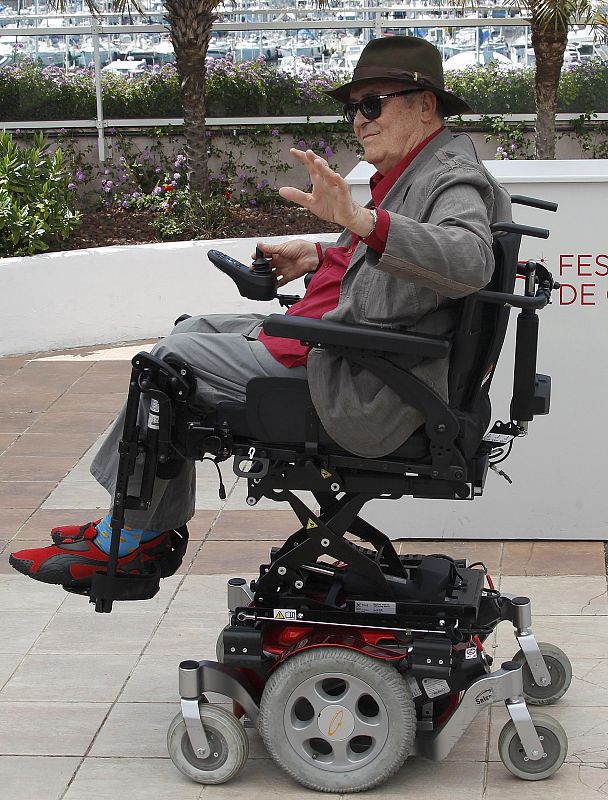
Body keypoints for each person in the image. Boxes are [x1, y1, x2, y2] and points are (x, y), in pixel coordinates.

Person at [9, 35, 511, 588]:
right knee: (190, 331)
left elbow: (468, 261)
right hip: (349, 350)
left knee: (169, 363)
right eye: (353, 109)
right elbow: (402, 261)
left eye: (373, 105)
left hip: (365, 383)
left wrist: (362, 223)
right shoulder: (421, 170)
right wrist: (321, 252)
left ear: (424, 104)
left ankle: (131, 539)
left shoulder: (451, 177)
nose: (359, 121)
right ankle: (132, 523)